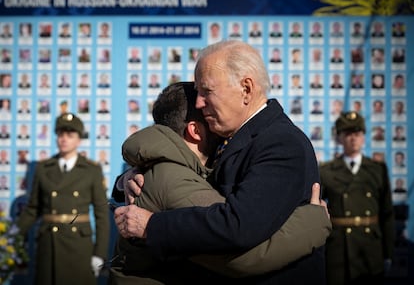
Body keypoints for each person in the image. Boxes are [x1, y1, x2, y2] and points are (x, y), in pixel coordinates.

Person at [114, 41, 328, 284]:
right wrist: (130, 178)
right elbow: (190, 175)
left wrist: (152, 226)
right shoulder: (234, 138)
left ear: (246, 89)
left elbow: (238, 227)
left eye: (207, 91)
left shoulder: (281, 143)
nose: (198, 103)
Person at [16, 113, 110, 285]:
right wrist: (11, 238)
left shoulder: (91, 170)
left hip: (79, 246)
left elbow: (102, 214)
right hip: (48, 244)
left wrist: (99, 254)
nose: (64, 139)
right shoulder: (43, 168)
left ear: (79, 140)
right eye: (60, 134)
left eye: (70, 135)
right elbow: (32, 209)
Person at [319, 111, 395, 285]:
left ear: (363, 137)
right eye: (347, 134)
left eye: (357, 133)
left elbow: (387, 214)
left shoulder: (377, 170)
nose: (353, 138)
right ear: (339, 138)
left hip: (370, 249)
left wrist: (388, 253)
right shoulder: (326, 171)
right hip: (339, 250)